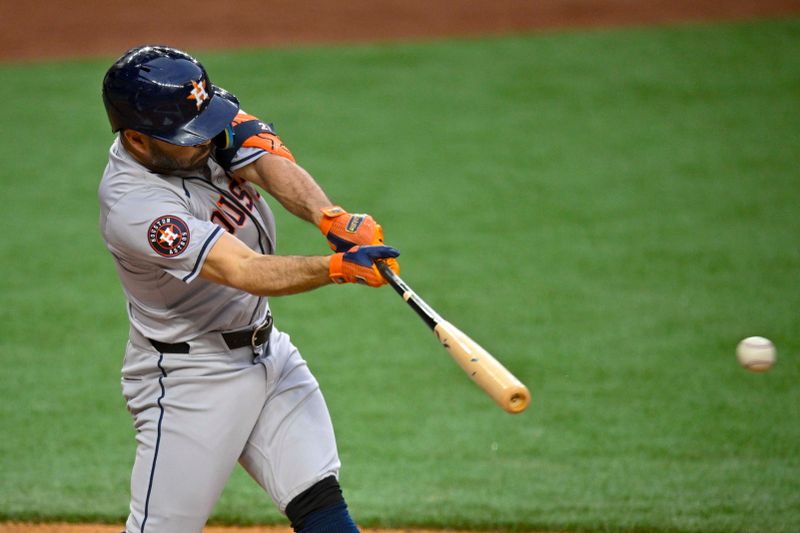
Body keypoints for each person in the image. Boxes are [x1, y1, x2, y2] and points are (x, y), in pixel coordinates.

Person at [98, 44, 400, 533]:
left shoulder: (195, 124)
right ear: (136, 139)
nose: (207, 140)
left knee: (319, 501)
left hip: (267, 352)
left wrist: (331, 217)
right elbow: (242, 269)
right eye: (188, 137)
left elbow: (261, 159)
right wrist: (335, 266)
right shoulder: (135, 207)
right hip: (191, 378)